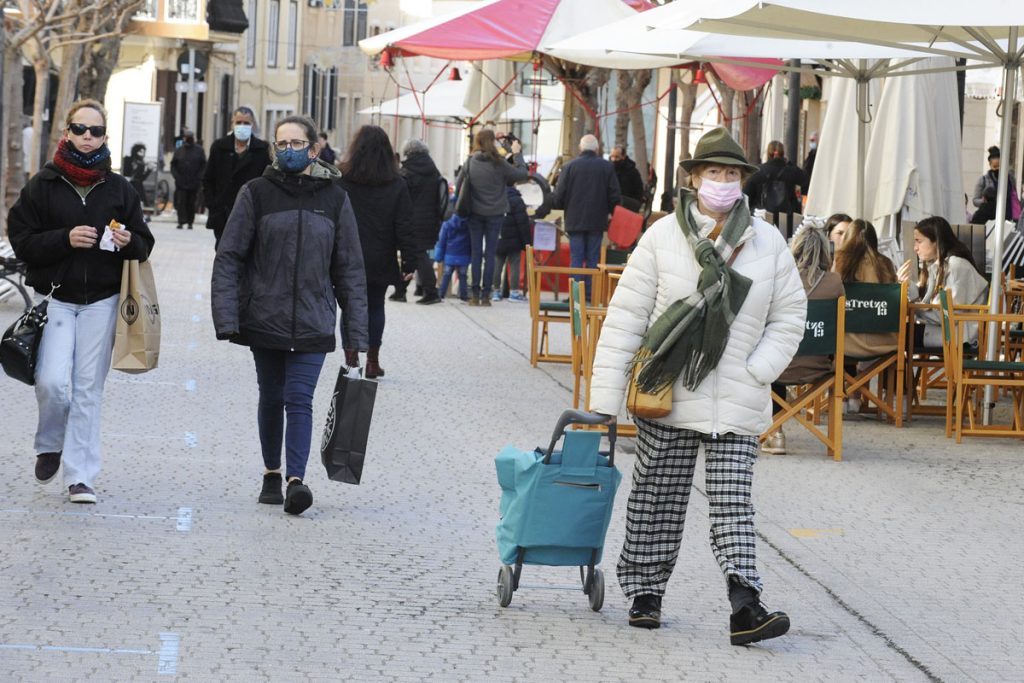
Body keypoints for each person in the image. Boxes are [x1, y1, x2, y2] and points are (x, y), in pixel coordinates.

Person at [588, 127, 806, 643]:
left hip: (737, 396)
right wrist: (603, 404)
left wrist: (759, 370)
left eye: (733, 174)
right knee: (657, 498)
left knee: (733, 501)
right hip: (668, 394)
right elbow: (626, 318)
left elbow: (790, 314)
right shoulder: (662, 237)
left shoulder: (767, 240)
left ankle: (745, 604)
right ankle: (645, 594)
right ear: (693, 178)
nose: (724, 182)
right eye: (715, 172)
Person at [212, 114, 368, 516]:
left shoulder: (335, 199)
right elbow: (229, 255)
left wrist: (356, 335)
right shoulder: (256, 193)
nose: (289, 150)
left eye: (297, 143)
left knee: (300, 398)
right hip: (266, 315)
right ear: (274, 149)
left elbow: (349, 267)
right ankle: (271, 472)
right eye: (282, 144)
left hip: (315, 318)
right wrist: (227, 317)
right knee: (272, 396)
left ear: (314, 149)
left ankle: (296, 481)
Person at [7, 99, 156, 504]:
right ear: (66, 133)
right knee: (52, 382)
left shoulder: (120, 188)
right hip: (55, 299)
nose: (87, 138)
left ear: (106, 137)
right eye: (79, 129)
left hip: (102, 302)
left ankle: (80, 476)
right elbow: (21, 240)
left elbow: (145, 244)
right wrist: (64, 238)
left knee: (88, 388)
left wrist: (128, 241)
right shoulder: (45, 183)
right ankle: (50, 443)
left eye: (95, 131)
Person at [338, 125, 417, 378]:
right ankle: (372, 360)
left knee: (350, 307)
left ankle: (351, 359)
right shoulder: (396, 184)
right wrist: (409, 262)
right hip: (380, 256)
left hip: (347, 256)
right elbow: (405, 224)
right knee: (375, 307)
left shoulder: (342, 179)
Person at [763, 227, 844, 455]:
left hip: (778, 366)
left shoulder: (778, 280)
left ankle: (776, 432)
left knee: (773, 359)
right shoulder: (834, 282)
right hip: (817, 367)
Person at [455, 129, 529, 306]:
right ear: (493, 142)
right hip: (496, 214)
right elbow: (522, 174)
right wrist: (517, 154)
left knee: (476, 253)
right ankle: (486, 295)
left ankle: (474, 295)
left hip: (474, 213)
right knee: (490, 254)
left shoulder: (470, 162)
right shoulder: (500, 163)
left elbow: (458, 187)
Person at [832, 219, 898, 413]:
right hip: (884, 341)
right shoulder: (886, 264)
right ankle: (857, 392)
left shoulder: (838, 263)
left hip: (845, 341)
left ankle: (841, 395)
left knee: (836, 329)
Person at [897, 216, 988, 349]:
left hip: (960, 337)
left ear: (936, 242)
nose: (915, 248)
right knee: (893, 334)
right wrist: (909, 287)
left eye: (919, 241)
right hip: (951, 332)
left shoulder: (957, 266)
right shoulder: (940, 266)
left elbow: (944, 316)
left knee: (892, 336)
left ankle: (897, 370)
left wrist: (913, 303)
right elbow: (931, 304)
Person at [551, 134, 621, 273]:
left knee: (576, 259)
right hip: (597, 220)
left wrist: (561, 206)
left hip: (575, 220)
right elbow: (614, 195)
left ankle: (576, 294)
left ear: (580, 148)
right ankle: (590, 294)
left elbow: (559, 196)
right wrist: (613, 213)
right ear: (596, 148)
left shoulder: (569, 167)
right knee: (593, 260)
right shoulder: (606, 167)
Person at [203, 106, 271, 248]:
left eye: (246, 123)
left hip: (251, 212)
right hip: (223, 212)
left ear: (252, 125)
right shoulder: (219, 147)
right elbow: (208, 179)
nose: (242, 126)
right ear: (232, 124)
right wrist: (213, 204)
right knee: (224, 252)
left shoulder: (262, 149)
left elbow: (268, 181)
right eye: (238, 122)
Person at [395, 138, 445, 305]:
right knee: (417, 254)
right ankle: (401, 289)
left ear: (408, 153)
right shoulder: (433, 171)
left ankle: (430, 291)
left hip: (412, 219)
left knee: (416, 254)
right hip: (431, 219)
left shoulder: (407, 172)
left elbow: (401, 197)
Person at [743, 140, 806, 215]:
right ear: (783, 153)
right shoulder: (792, 171)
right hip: (787, 219)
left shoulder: (757, 171)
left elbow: (746, 197)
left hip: (762, 217)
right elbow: (807, 182)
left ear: (768, 154)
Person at [492, 185, 532, 302]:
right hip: (514, 240)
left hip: (498, 237)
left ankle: (495, 292)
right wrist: (527, 243)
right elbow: (523, 223)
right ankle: (514, 293)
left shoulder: (495, 196)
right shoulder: (517, 200)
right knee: (514, 265)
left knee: (497, 264)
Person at [970, 145, 1020, 225]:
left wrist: (1017, 215)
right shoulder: (983, 180)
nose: (996, 160)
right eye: (994, 158)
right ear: (990, 161)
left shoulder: (1010, 178)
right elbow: (975, 200)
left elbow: (1014, 197)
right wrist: (983, 201)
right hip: (989, 218)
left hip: (1007, 218)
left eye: (998, 157)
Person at [170, 130, 207, 230]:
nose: (187, 139)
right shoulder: (179, 150)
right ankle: (181, 221)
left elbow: (203, 165)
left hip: (194, 182)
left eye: (189, 137)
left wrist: (199, 177)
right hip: (181, 181)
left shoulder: (199, 150)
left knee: (191, 202)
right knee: (181, 202)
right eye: (186, 137)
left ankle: (190, 222)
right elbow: (173, 165)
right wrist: (176, 176)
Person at [435, 214, 471, 302]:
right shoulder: (469, 225)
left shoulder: (447, 224)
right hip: (464, 255)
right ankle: (464, 295)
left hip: (450, 255)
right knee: (463, 276)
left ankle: (441, 294)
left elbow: (441, 241)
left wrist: (438, 256)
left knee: (446, 275)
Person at [610, 144, 645, 212]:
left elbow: (639, 191)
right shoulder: (610, 170)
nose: (614, 160)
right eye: (612, 157)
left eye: (617, 157)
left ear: (623, 156)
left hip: (630, 203)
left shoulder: (632, 171)